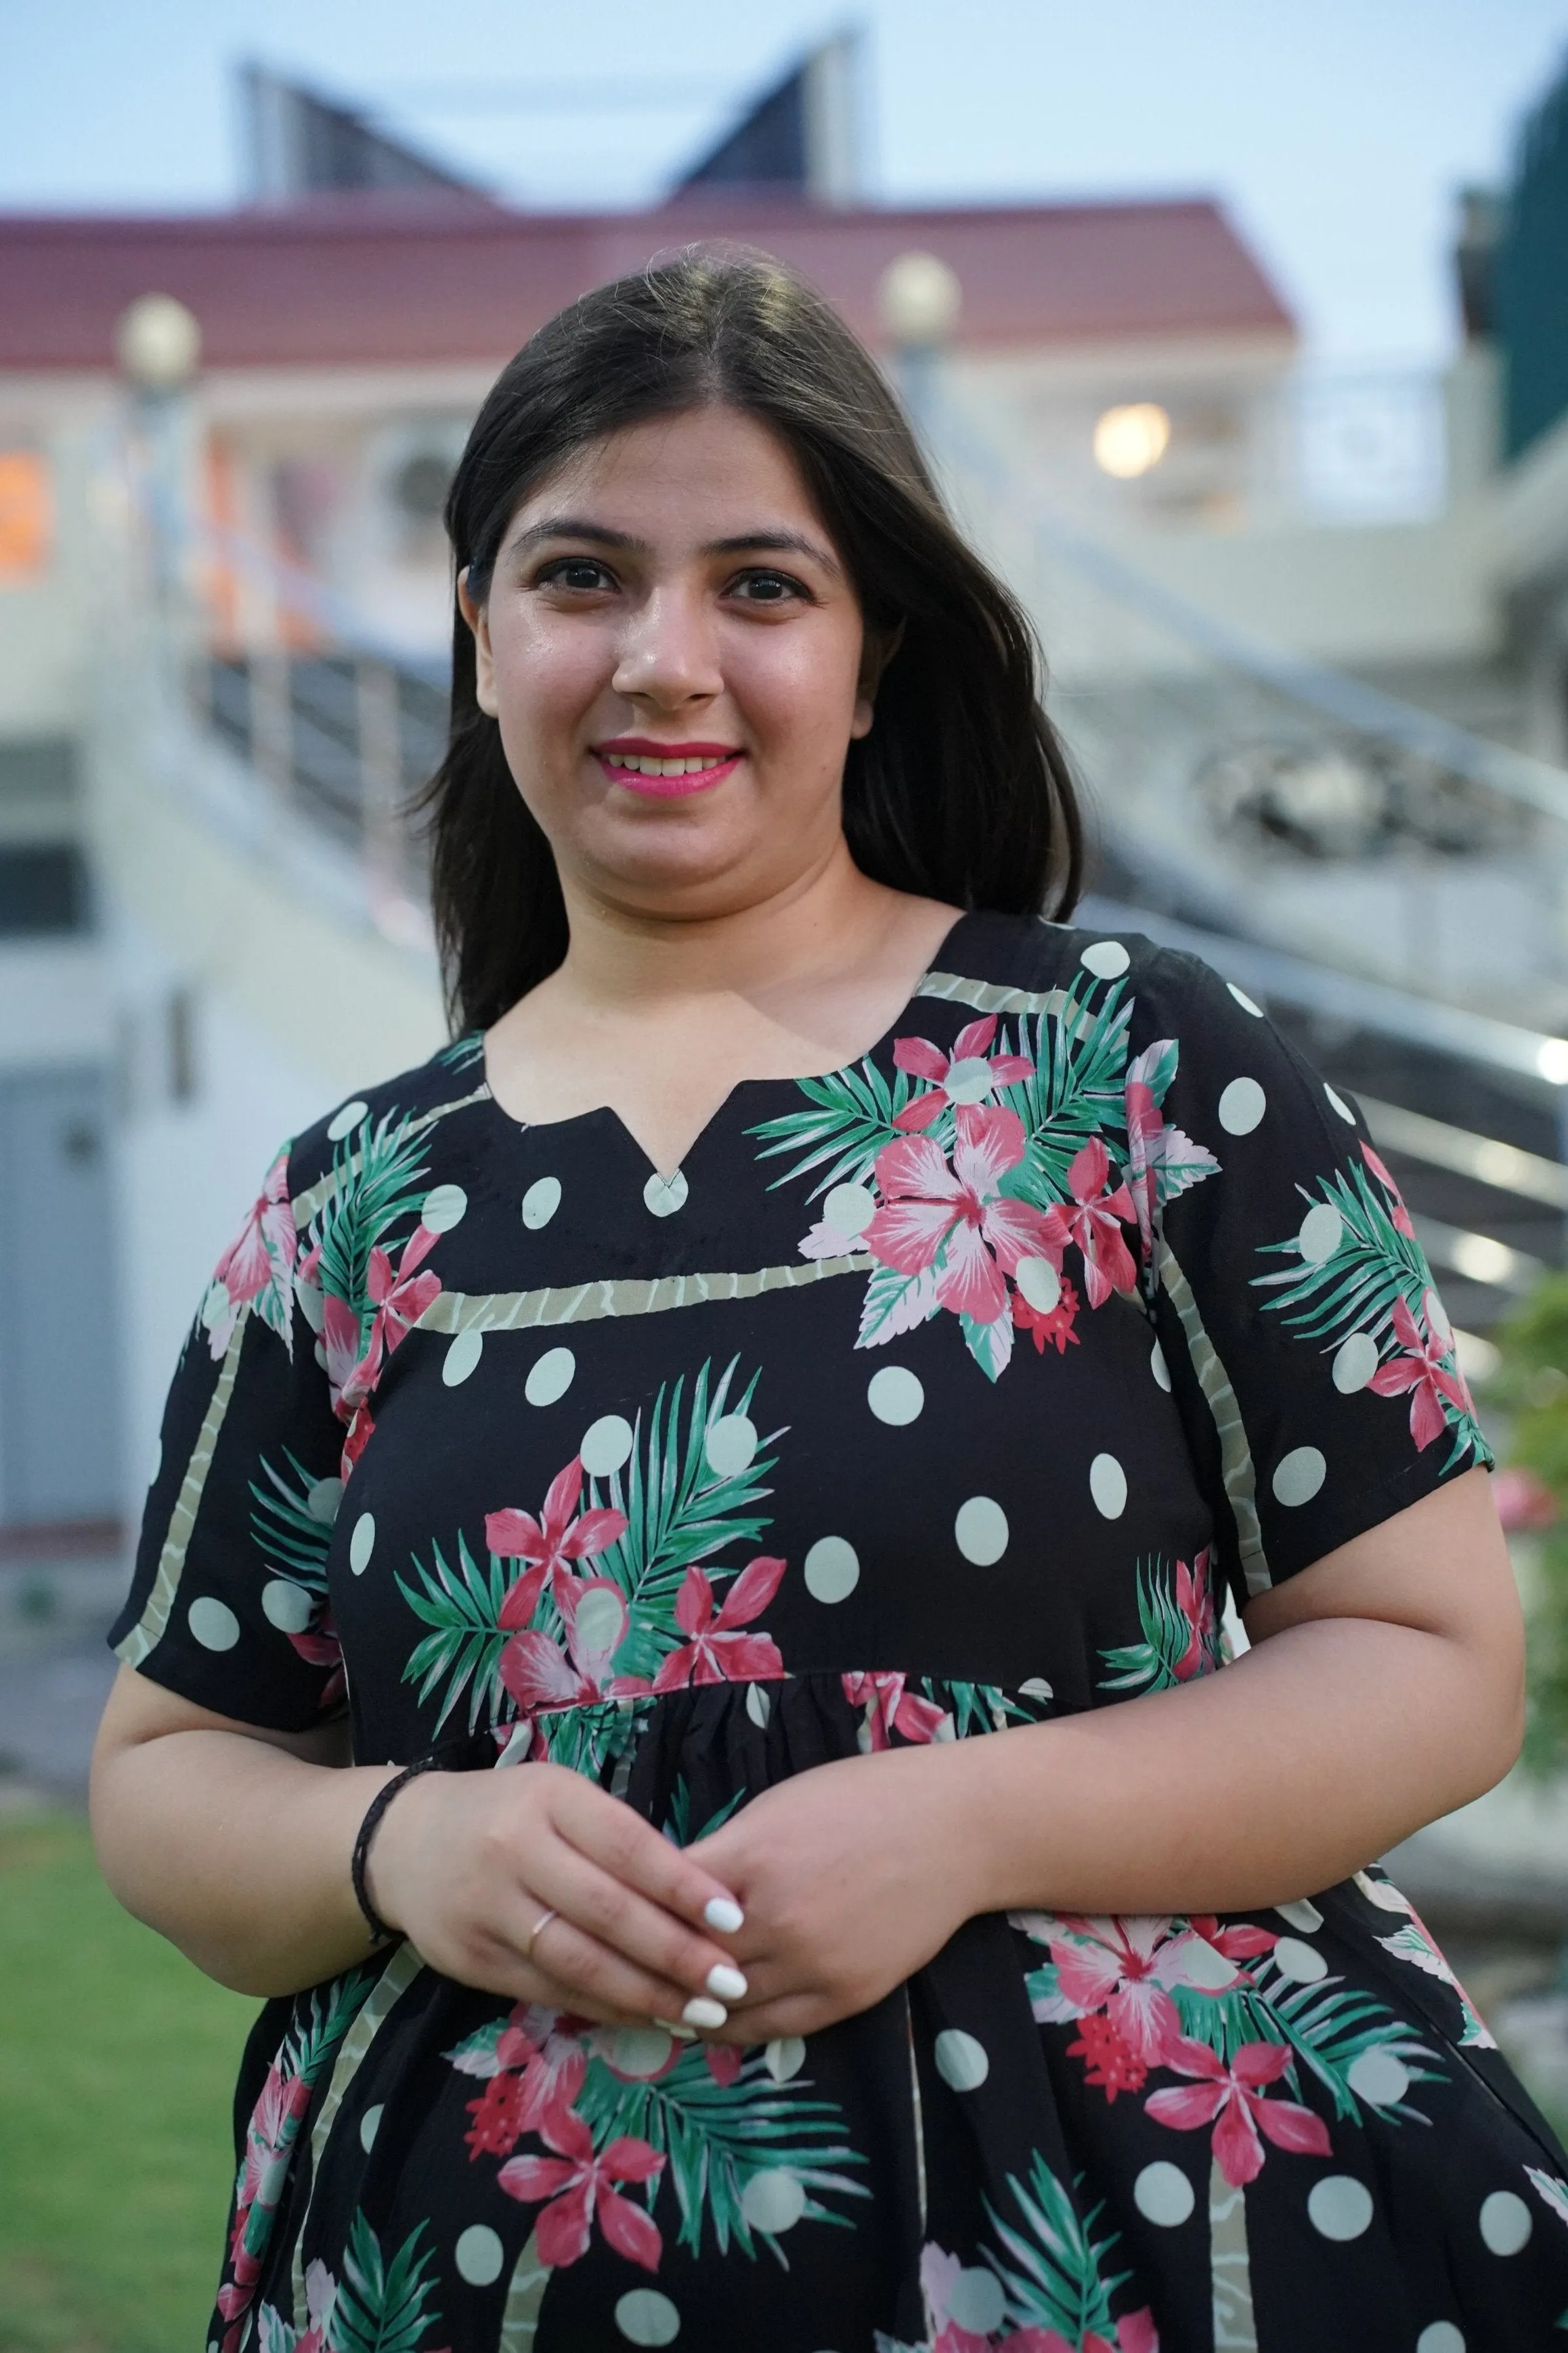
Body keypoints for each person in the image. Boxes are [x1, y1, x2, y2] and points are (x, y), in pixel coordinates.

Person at [91, 249, 1568, 2353]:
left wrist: (962, 1822)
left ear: (873, 659)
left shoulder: (1131, 1067)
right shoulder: (352, 1202)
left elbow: (1430, 1657)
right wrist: (400, 1840)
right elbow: (169, 1773)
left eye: (762, 589)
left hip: (1152, 2258)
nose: (663, 659)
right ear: (481, 632)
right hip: (462, 2278)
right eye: (581, 576)